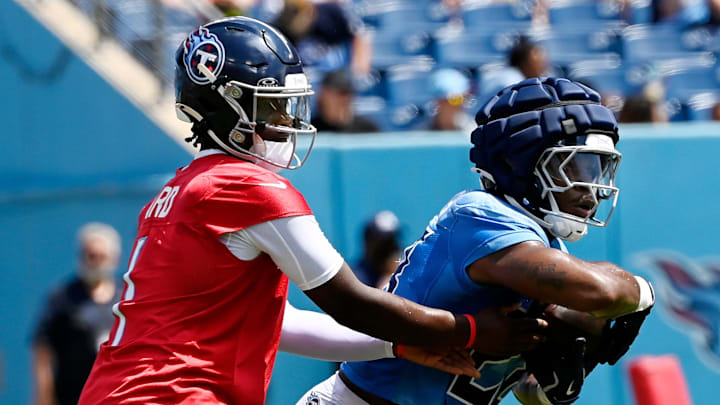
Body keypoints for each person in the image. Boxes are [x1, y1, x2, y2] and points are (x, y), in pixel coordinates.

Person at [78, 17, 548, 405]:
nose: (288, 125)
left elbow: (281, 325)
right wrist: (466, 330)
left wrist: (400, 343)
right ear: (227, 110)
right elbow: (351, 301)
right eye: (274, 110)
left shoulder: (179, 190)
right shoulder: (245, 186)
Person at [298, 77, 656, 405]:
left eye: (598, 169)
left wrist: (565, 355)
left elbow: (532, 395)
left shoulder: (546, 247)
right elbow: (602, 292)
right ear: (522, 164)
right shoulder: (481, 214)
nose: (592, 189)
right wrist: (641, 291)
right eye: (576, 168)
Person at [32, 222, 122, 405]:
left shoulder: (126, 298)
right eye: (90, 256)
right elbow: (43, 349)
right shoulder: (63, 297)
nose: (95, 262)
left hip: (115, 396)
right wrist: (44, 396)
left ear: (114, 258)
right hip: (73, 397)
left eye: (100, 257)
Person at [311, 69, 380, 133]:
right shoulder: (309, 130)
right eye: (340, 94)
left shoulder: (367, 129)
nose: (344, 99)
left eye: (348, 93)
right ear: (323, 95)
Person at [353, 211, 402, 288]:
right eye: (383, 243)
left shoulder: (404, 272)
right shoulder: (356, 279)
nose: (387, 249)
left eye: (391, 242)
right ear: (367, 243)